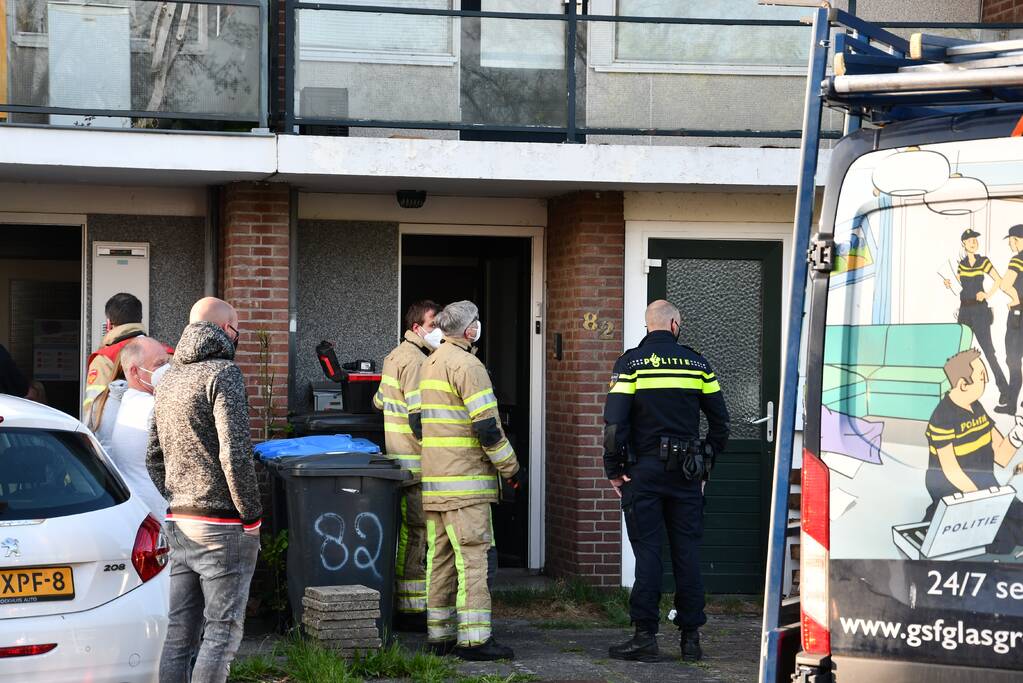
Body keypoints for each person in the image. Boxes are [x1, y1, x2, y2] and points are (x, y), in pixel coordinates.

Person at [603, 300, 730, 663]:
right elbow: (720, 423)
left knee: (649, 555)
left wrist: (613, 469)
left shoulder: (631, 364)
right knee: (687, 554)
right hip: (687, 475)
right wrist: (704, 463)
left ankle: (645, 637)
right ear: (675, 324)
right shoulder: (697, 363)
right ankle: (691, 639)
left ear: (649, 326)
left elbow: (614, 424)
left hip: (642, 472)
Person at [147, 297, 261, 683]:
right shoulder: (223, 373)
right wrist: (252, 515)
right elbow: (236, 455)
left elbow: (153, 455)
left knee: (180, 632)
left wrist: (178, 495)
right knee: (221, 632)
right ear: (226, 330)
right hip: (222, 524)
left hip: (179, 520)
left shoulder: (169, 378)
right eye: (237, 327)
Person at [410, 300, 520, 661]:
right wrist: (510, 468)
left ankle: (439, 636)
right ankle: (475, 640)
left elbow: (417, 423)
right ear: (469, 330)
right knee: (473, 559)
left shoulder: (431, 362)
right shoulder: (469, 365)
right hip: (467, 486)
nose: (479, 328)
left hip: (437, 483)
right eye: (477, 322)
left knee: (439, 559)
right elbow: (488, 427)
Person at [372, 299, 441, 631]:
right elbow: (419, 420)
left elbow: (379, 401)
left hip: (399, 460)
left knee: (407, 534)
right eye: (432, 325)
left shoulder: (394, 356)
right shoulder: (415, 361)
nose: (437, 331)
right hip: (417, 464)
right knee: (418, 535)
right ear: (417, 328)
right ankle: (413, 610)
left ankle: (405, 602)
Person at [923, 349, 1023, 553]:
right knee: (1004, 538)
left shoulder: (976, 407)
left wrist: (1019, 432)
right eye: (982, 378)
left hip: (986, 485)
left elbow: (1002, 456)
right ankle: (935, 519)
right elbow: (951, 471)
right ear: (962, 384)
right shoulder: (942, 417)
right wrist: (984, 503)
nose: (986, 382)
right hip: (955, 490)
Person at [107, 337, 170, 521]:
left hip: (140, 509)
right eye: (159, 364)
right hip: (158, 513)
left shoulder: (128, 401)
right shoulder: (153, 407)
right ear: (135, 371)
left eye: (167, 362)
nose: (167, 369)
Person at [944, 229, 1009, 409]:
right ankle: (958, 393)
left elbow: (998, 279)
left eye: (975, 240)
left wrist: (987, 293)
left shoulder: (983, 261)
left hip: (980, 311)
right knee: (960, 354)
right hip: (964, 311)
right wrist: (949, 284)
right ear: (963, 244)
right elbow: (957, 286)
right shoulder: (961, 265)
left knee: (989, 352)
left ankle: (1004, 390)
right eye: (970, 240)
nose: (973, 242)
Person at [84, 293, 163, 431]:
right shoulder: (168, 353)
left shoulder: (104, 359)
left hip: (120, 439)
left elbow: (93, 412)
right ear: (140, 319)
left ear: (108, 324)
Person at [1001, 225, 1023, 413]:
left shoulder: (1018, 259)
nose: (1010, 245)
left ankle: (1011, 406)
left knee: (1013, 359)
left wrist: (1015, 298)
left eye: (1011, 241)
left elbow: (1004, 284)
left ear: (1017, 239)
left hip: (1018, 316)